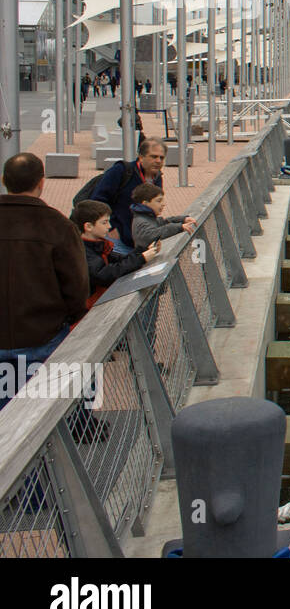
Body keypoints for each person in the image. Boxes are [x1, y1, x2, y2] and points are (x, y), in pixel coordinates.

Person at [0, 154, 90, 412]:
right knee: (42, 410)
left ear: (4, 180)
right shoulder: (58, 226)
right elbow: (76, 285)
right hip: (42, 335)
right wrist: (74, 315)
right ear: (42, 182)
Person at [73, 200, 161, 311]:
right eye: (104, 222)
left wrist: (143, 251)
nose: (109, 226)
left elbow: (119, 260)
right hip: (90, 309)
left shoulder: (98, 245)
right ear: (88, 226)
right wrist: (142, 258)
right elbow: (104, 275)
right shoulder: (84, 251)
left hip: (99, 302)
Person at [91, 136, 166, 249]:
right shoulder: (121, 171)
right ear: (141, 157)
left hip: (139, 240)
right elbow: (97, 201)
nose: (158, 161)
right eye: (153, 156)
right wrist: (111, 228)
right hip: (117, 239)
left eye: (161, 157)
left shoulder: (157, 178)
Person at [130, 183, 196, 248]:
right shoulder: (141, 222)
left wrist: (182, 219)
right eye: (159, 201)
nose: (163, 204)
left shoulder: (146, 217)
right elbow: (154, 234)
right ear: (145, 203)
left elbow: (163, 222)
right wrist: (179, 227)